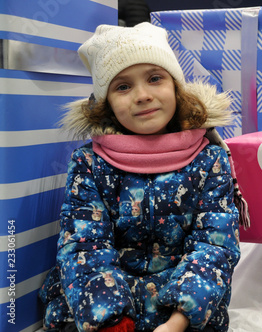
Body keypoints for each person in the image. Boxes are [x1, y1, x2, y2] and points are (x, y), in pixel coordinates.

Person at [38, 22, 248, 332]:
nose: (142, 95)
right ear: (106, 103)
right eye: (123, 86)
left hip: (180, 308)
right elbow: (84, 246)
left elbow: (215, 246)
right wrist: (113, 323)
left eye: (155, 78)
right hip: (102, 309)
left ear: (176, 87)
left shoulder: (208, 159)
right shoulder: (89, 163)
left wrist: (178, 321)